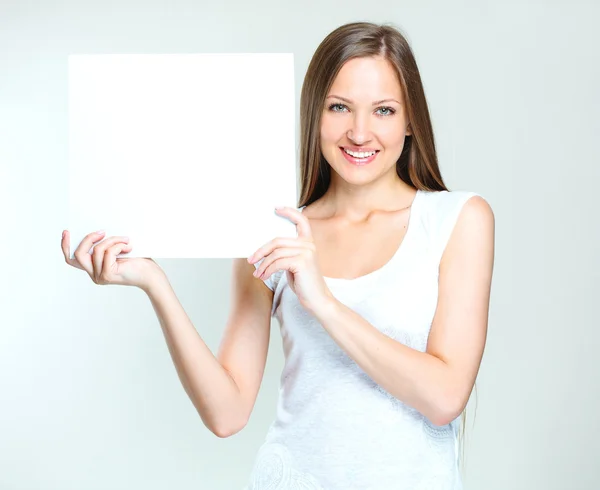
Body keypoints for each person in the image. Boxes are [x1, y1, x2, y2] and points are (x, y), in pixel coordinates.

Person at [61, 21, 494, 490]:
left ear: (410, 121)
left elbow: (446, 396)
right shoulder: (273, 233)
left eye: (384, 110)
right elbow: (227, 413)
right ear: (314, 113)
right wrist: (154, 284)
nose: (359, 132)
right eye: (339, 107)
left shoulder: (458, 219)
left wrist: (323, 302)